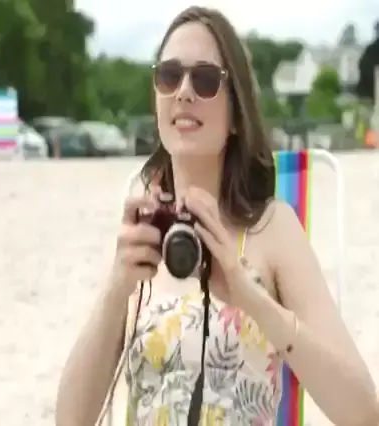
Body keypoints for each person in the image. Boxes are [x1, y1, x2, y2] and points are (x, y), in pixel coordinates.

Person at [56, 6, 378, 426]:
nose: (183, 92)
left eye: (206, 80)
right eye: (169, 76)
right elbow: (70, 420)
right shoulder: (145, 232)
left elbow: (363, 414)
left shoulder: (271, 228)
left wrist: (251, 298)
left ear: (236, 115)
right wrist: (117, 288)